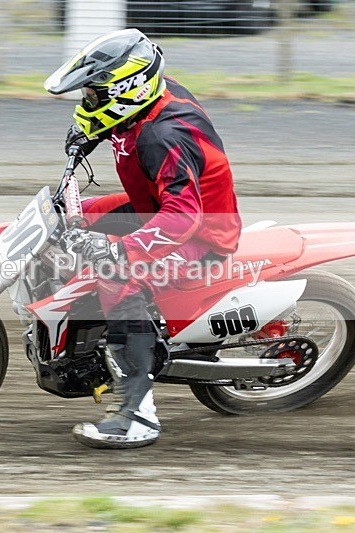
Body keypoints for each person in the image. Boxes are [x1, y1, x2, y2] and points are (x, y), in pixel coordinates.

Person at [44, 28, 242, 449]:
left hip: (201, 234)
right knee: (71, 218)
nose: (88, 103)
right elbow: (120, 124)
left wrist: (120, 250)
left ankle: (139, 414)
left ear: (126, 92)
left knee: (116, 275)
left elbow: (183, 216)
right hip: (151, 206)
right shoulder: (148, 101)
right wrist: (90, 135)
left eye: (94, 96)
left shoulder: (163, 137)